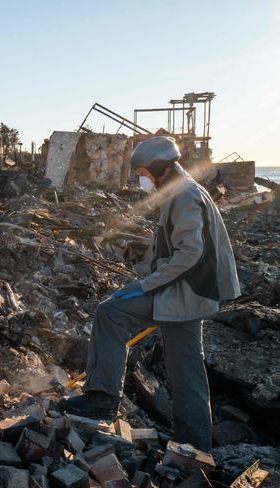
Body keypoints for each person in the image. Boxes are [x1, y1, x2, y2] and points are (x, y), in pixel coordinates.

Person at [60, 136, 240, 452]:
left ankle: (101, 399)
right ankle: (194, 446)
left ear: (157, 168)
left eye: (142, 171)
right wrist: (147, 276)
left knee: (110, 312)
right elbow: (170, 249)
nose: (140, 178)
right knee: (186, 370)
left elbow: (189, 253)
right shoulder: (180, 190)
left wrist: (146, 286)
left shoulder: (183, 195)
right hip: (186, 292)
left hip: (186, 293)